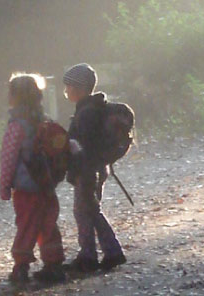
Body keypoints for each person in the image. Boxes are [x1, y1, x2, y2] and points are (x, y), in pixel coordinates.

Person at [0, 73, 67, 284]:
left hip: (26, 188)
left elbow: (8, 158)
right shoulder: (45, 121)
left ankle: (21, 268)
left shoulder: (16, 126)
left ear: (13, 97)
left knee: (26, 225)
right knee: (48, 224)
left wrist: (4, 185)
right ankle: (54, 265)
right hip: (46, 184)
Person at [62, 63, 127, 272]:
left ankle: (99, 253)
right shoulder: (92, 108)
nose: (66, 91)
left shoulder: (86, 112)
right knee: (89, 210)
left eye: (68, 87)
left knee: (86, 212)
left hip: (87, 170)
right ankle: (98, 253)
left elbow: (86, 144)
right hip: (97, 168)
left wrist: (71, 149)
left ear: (78, 89)